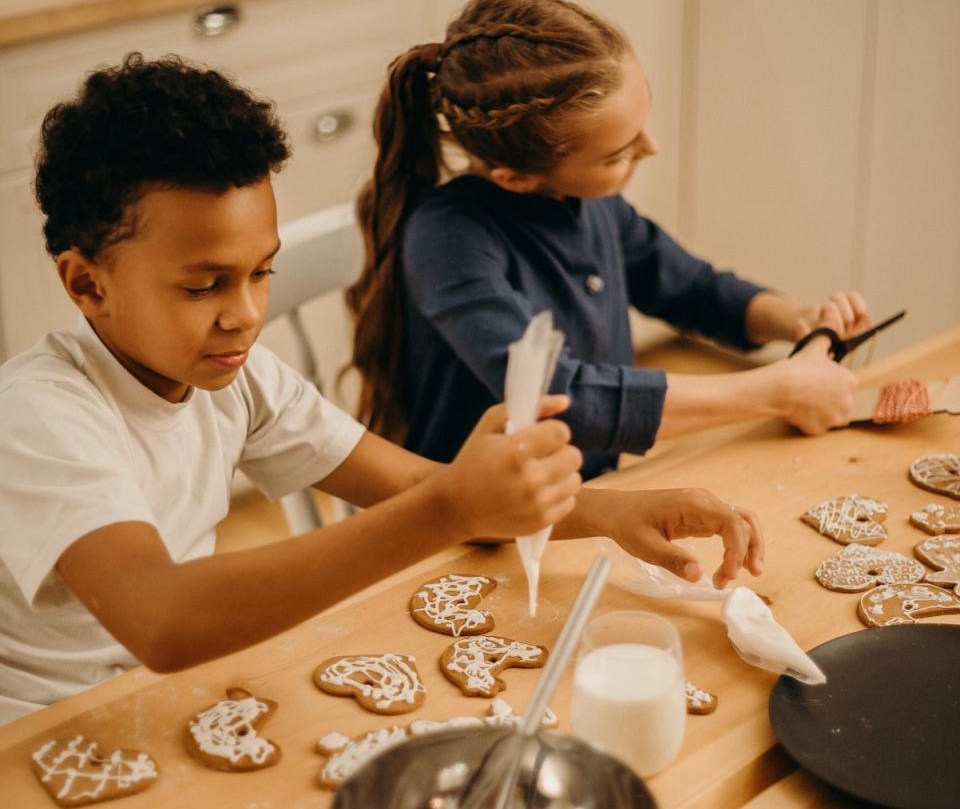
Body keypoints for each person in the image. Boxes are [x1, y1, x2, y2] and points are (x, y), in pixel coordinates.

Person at [0, 54, 762, 725]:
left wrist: (615, 511)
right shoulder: (39, 415)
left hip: (164, 703)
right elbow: (162, 619)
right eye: (204, 286)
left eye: (262, 272)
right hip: (40, 735)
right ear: (86, 284)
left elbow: (413, 483)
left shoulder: (242, 381)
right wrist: (448, 509)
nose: (246, 314)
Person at [348, 0, 868, 480]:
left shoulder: (594, 206)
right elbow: (560, 399)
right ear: (516, 177)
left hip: (589, 493)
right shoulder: (448, 241)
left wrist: (796, 320)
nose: (653, 146)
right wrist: (773, 390)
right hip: (479, 526)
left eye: (641, 124)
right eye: (618, 153)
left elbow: (693, 288)